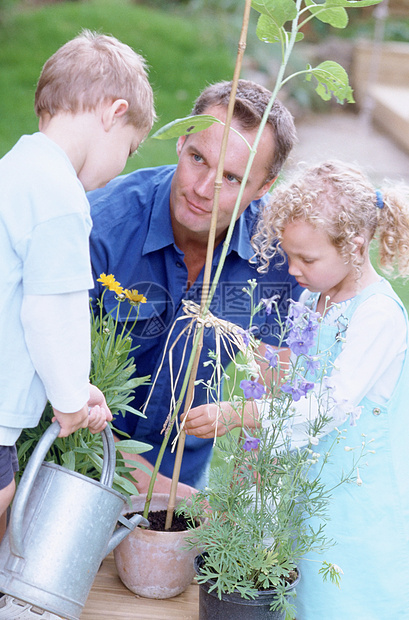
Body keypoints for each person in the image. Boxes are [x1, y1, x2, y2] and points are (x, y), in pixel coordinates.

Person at [184, 160, 409, 618]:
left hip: (357, 495)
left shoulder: (378, 315)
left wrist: (242, 415)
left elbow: (330, 404)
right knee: (302, 591)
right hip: (308, 483)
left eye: (307, 259)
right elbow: (291, 390)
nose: (294, 269)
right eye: (288, 255)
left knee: (346, 593)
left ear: (355, 247)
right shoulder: (311, 300)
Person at [0, 29, 155, 620]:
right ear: (114, 114)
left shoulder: (16, 169)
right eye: (132, 149)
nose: (122, 169)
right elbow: (52, 306)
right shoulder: (61, 196)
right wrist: (70, 399)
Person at [88, 79, 301, 496]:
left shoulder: (278, 258)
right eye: (198, 158)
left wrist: (241, 517)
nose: (203, 190)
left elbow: (276, 395)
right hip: (80, 466)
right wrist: (172, 496)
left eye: (232, 178)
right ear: (181, 141)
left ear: (264, 188)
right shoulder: (102, 228)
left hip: (186, 493)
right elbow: (55, 389)